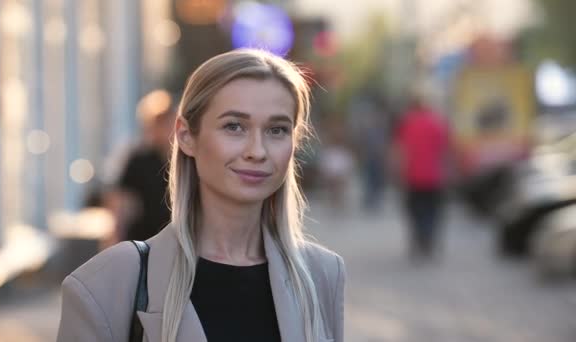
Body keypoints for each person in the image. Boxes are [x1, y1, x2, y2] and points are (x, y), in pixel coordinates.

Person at [57, 49, 346, 342]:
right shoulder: (110, 282)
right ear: (185, 136)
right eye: (234, 126)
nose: (257, 151)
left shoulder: (322, 274)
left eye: (277, 130)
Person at [105, 90, 175, 243]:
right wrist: (115, 237)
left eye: (167, 121)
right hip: (145, 239)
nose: (164, 129)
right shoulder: (139, 160)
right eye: (158, 123)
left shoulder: (185, 159)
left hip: (177, 238)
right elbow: (120, 201)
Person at [392, 93, 449, 260]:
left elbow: (399, 150)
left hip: (412, 176)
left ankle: (419, 237)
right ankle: (428, 238)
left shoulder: (406, 123)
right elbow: (444, 150)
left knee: (414, 210)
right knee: (433, 210)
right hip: (434, 176)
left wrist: (397, 171)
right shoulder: (437, 122)